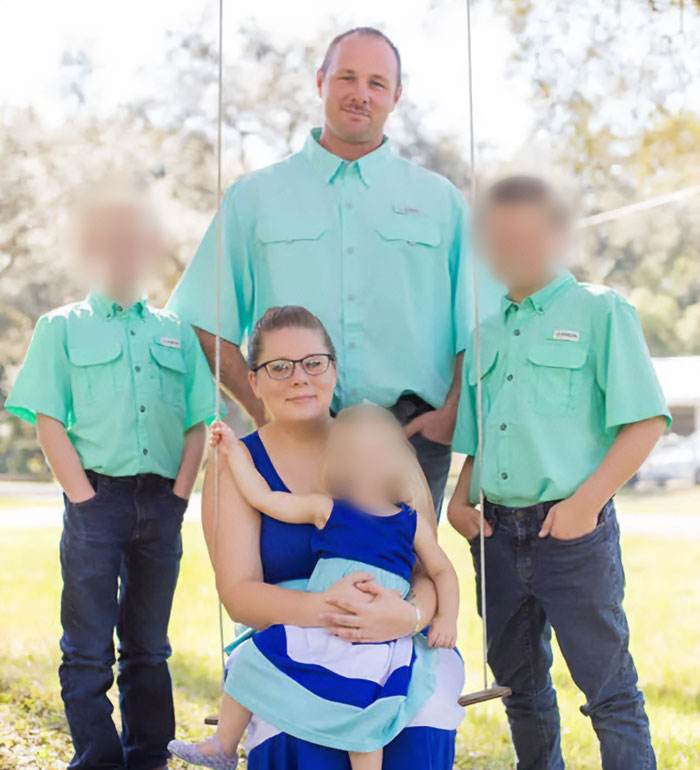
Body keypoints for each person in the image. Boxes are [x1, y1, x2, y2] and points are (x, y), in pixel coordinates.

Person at [167, 26, 501, 515]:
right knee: (291, 564)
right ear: (320, 81)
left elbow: (481, 322)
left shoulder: (441, 202)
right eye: (347, 77)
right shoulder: (254, 198)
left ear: (396, 96)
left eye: (377, 83)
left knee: (405, 565)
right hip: (290, 429)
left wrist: (454, 410)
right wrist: (262, 408)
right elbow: (202, 318)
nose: (360, 94)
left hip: (410, 437)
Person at [447, 176, 669, 770]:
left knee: (609, 690)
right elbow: (480, 437)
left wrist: (584, 506)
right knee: (518, 689)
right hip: (495, 535)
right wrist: (460, 501)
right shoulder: (485, 331)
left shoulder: (601, 311)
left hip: (573, 533)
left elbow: (646, 421)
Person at [5, 185, 219, 770]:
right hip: (97, 499)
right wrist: (83, 497)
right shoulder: (60, 327)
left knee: (149, 646)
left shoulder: (176, 332)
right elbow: (48, 419)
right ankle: (98, 760)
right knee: (87, 648)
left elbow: (199, 420)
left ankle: (148, 757)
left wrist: (179, 496)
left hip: (162, 504)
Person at [197, 305, 465, 770]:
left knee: (425, 708)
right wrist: (334, 611)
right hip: (293, 635)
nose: (300, 378)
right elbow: (239, 596)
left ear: (334, 370)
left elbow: (427, 567)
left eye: (313, 362)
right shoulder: (238, 466)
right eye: (280, 367)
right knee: (302, 726)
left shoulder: (377, 446)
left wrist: (408, 617)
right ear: (254, 382)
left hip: (394, 630)